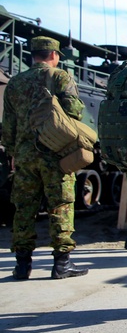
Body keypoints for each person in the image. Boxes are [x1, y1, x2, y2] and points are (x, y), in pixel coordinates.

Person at [3, 36, 89, 280]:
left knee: (23, 209)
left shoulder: (15, 83)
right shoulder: (60, 76)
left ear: (34, 55)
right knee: (60, 205)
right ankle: (62, 263)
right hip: (55, 153)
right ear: (54, 55)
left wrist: (12, 152)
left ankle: (22, 265)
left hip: (24, 156)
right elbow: (75, 111)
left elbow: (8, 125)